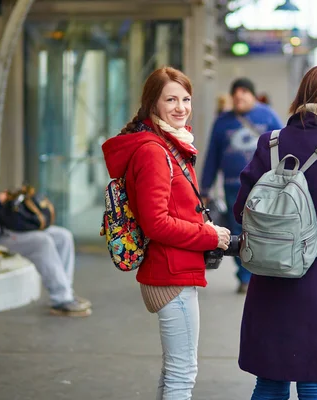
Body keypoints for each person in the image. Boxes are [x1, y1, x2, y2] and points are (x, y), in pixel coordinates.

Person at [233, 64, 317, 399]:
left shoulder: (271, 143)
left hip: (269, 282)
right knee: (313, 385)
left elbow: (241, 212)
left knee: (268, 382)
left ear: (303, 97)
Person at [101, 66, 231, 399]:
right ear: (152, 104)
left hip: (172, 269)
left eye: (185, 99)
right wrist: (209, 236)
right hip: (171, 273)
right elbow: (155, 223)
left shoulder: (168, 145)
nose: (180, 107)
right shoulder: (154, 152)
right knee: (182, 375)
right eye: (170, 99)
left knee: (175, 371)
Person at [201, 77, 283, 294]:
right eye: (235, 94)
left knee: (262, 228)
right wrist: (204, 190)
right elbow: (212, 157)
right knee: (238, 231)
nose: (239, 97)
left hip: (263, 187)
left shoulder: (268, 116)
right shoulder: (222, 122)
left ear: (253, 95)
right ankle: (245, 277)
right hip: (232, 187)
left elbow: (284, 148)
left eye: (244, 93)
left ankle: (260, 274)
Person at [0, 180, 92, 317]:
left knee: (63, 236)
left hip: (6, 227)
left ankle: (66, 293)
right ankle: (61, 300)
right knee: (41, 242)